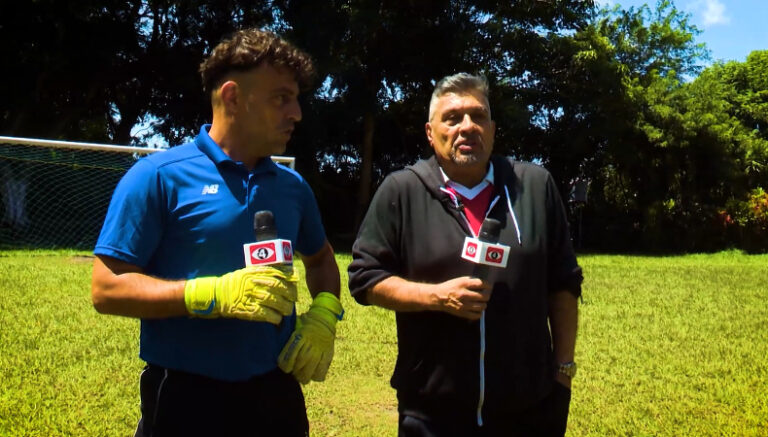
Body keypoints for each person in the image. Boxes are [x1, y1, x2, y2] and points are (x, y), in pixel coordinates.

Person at [91, 28, 343, 437]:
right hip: (185, 396)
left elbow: (321, 260)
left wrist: (325, 314)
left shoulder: (293, 188)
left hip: (276, 393)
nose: (297, 113)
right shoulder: (158, 177)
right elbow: (106, 288)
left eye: (296, 99)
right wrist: (209, 295)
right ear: (233, 97)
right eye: (282, 98)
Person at [348, 73, 583, 437]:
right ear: (430, 133)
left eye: (478, 116)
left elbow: (564, 283)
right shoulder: (402, 190)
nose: (468, 126)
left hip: (528, 409)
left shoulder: (535, 187)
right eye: (453, 118)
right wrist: (436, 297)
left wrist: (563, 372)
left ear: (493, 129)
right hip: (432, 413)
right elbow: (364, 279)